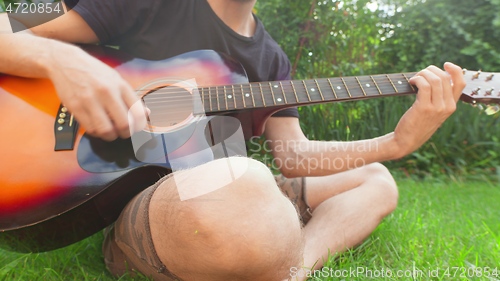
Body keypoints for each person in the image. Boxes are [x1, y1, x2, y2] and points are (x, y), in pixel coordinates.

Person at [0, 0, 465, 280]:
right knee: (246, 181)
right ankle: (133, 247)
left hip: (220, 187)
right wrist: (60, 62)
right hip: (152, 203)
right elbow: (11, 22)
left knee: (376, 180)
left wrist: (395, 143)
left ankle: (293, 265)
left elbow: (294, 155)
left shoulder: (271, 58)